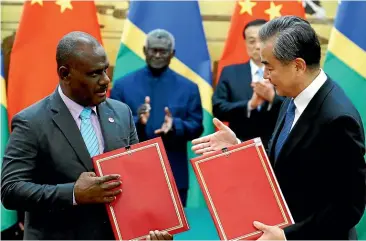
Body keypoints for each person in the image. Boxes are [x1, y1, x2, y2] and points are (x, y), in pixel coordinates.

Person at [192, 16, 366, 240]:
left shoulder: (338, 119)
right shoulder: (292, 98)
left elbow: (347, 208)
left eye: (269, 66)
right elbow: (286, 154)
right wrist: (238, 146)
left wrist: (287, 236)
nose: (265, 75)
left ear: (298, 66)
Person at [1, 31, 172, 240]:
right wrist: (73, 193)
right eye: (94, 74)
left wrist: (145, 229)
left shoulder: (121, 113)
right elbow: (11, 190)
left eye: (105, 70)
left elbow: (133, 182)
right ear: (65, 74)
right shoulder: (31, 121)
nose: (105, 80)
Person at [110, 29, 204, 207]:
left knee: (169, 232)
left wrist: (175, 126)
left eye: (163, 51)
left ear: (172, 54)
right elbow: (111, 127)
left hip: (173, 171)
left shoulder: (189, 88)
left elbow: (197, 126)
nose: (158, 55)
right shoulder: (122, 86)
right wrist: (138, 122)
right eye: (154, 50)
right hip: (132, 170)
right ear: (145, 50)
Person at [212, 19, 283, 148]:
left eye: (262, 40)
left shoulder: (285, 70)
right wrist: (249, 105)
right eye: (252, 41)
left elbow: (298, 109)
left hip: (278, 147)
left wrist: (273, 98)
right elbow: (218, 109)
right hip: (239, 145)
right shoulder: (230, 72)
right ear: (245, 43)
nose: (257, 46)